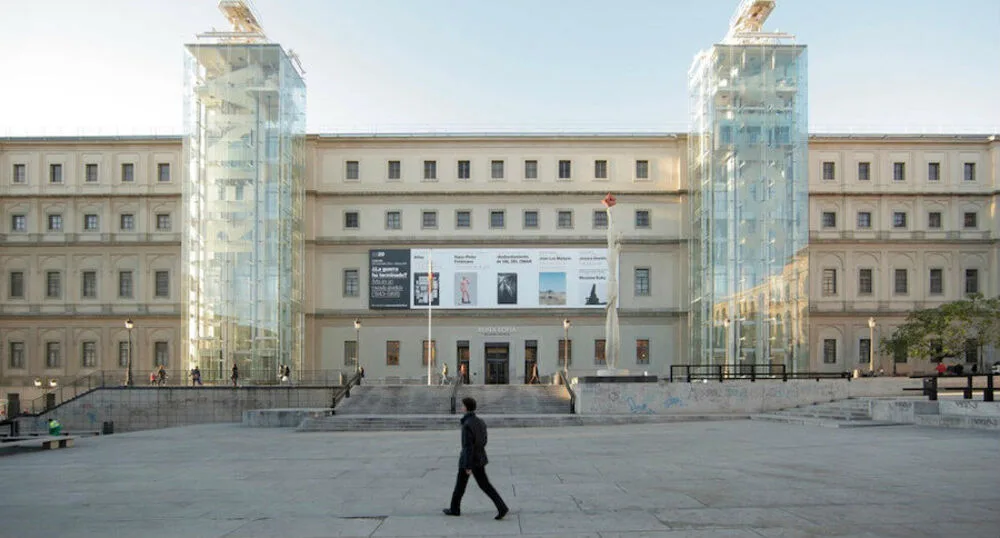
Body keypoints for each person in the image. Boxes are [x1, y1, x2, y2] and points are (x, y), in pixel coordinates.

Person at [443, 397, 508, 520]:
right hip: (480, 457)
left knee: (460, 486)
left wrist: (467, 465)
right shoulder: (480, 422)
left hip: (469, 459)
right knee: (485, 485)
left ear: (466, 407)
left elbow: (467, 446)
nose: (461, 407)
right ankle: (502, 506)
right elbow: (484, 440)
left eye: (462, 406)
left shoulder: (467, 424)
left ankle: (454, 509)